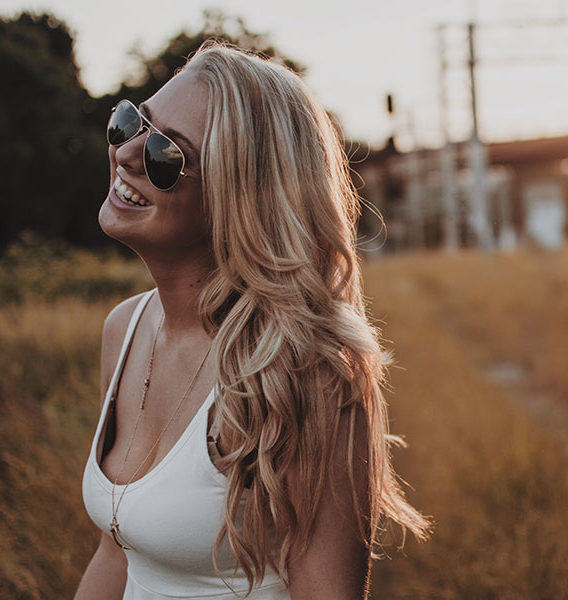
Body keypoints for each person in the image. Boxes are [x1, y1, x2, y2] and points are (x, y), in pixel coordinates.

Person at [74, 41, 430, 600]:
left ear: (239, 199)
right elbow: (116, 553)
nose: (127, 153)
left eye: (167, 155)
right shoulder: (124, 330)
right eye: (130, 122)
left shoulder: (306, 374)